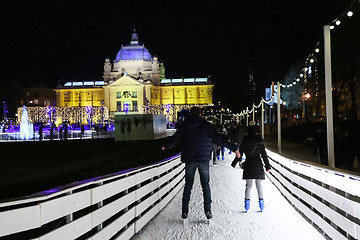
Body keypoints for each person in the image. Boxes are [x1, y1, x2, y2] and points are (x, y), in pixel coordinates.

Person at [162, 107, 240, 220]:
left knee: (188, 185)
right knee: (205, 185)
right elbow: (219, 139)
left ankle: (184, 211)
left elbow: (175, 138)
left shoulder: (184, 125)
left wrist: (165, 146)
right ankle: (208, 211)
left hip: (189, 158)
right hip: (203, 159)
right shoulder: (207, 126)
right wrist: (234, 148)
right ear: (200, 114)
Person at [231, 121, 271, 212]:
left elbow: (240, 153)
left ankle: (247, 205)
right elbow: (264, 154)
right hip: (257, 163)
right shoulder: (259, 140)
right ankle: (261, 204)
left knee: (248, 185)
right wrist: (267, 166)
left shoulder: (245, 139)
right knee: (259, 185)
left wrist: (234, 162)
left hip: (248, 163)